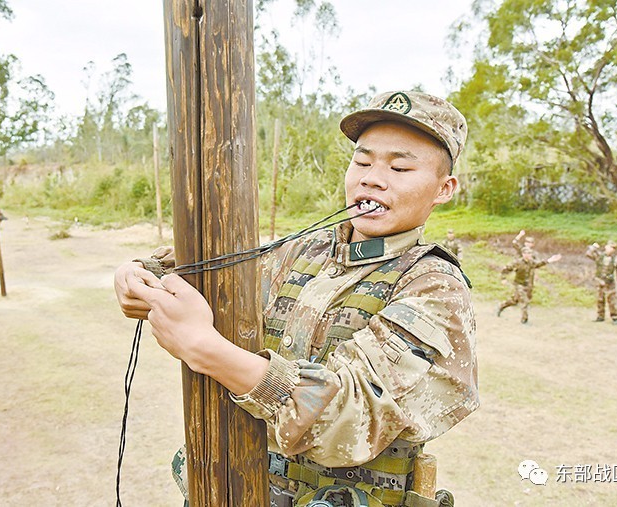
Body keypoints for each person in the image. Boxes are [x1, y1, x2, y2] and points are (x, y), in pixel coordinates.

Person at [114, 90, 479, 507]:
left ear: (444, 188)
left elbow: (347, 418)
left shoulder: (434, 287)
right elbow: (211, 268)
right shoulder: (304, 251)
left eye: (399, 166)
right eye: (362, 161)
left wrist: (203, 348)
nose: (372, 177)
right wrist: (139, 274)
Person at [497, 247, 562, 324]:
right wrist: (503, 279)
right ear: (523, 254)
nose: (528, 255)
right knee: (524, 301)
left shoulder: (531, 262)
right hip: (519, 284)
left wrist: (550, 260)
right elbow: (506, 269)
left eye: (530, 253)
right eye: (526, 253)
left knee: (515, 301)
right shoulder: (517, 263)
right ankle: (524, 319)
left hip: (527, 285)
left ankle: (502, 306)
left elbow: (539, 264)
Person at [585, 240, 617, 324]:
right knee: (600, 299)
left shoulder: (616, 258)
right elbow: (588, 254)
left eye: (613, 248)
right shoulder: (599, 256)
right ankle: (600, 316)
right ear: (606, 247)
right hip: (599, 281)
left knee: (612, 300)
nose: (611, 249)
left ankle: (615, 317)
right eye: (610, 247)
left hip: (610, 282)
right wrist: (593, 247)